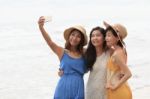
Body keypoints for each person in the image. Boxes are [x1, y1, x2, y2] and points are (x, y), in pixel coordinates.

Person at [38, 16, 88, 99]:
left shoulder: (85, 53)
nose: (74, 38)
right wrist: (41, 27)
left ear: (81, 40)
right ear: (69, 37)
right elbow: (50, 42)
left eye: (78, 36)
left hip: (78, 87)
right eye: (73, 35)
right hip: (63, 87)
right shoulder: (62, 52)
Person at [104, 22, 132, 99]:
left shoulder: (117, 54)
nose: (106, 38)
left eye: (109, 35)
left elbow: (128, 74)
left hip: (117, 91)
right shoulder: (122, 50)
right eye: (106, 35)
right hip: (121, 88)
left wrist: (114, 87)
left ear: (117, 38)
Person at [84, 26, 110, 99]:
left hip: (107, 90)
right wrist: (63, 70)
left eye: (98, 35)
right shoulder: (87, 53)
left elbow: (120, 45)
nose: (95, 38)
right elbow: (71, 54)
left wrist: (109, 28)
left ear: (104, 37)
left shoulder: (110, 52)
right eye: (92, 36)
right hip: (91, 90)